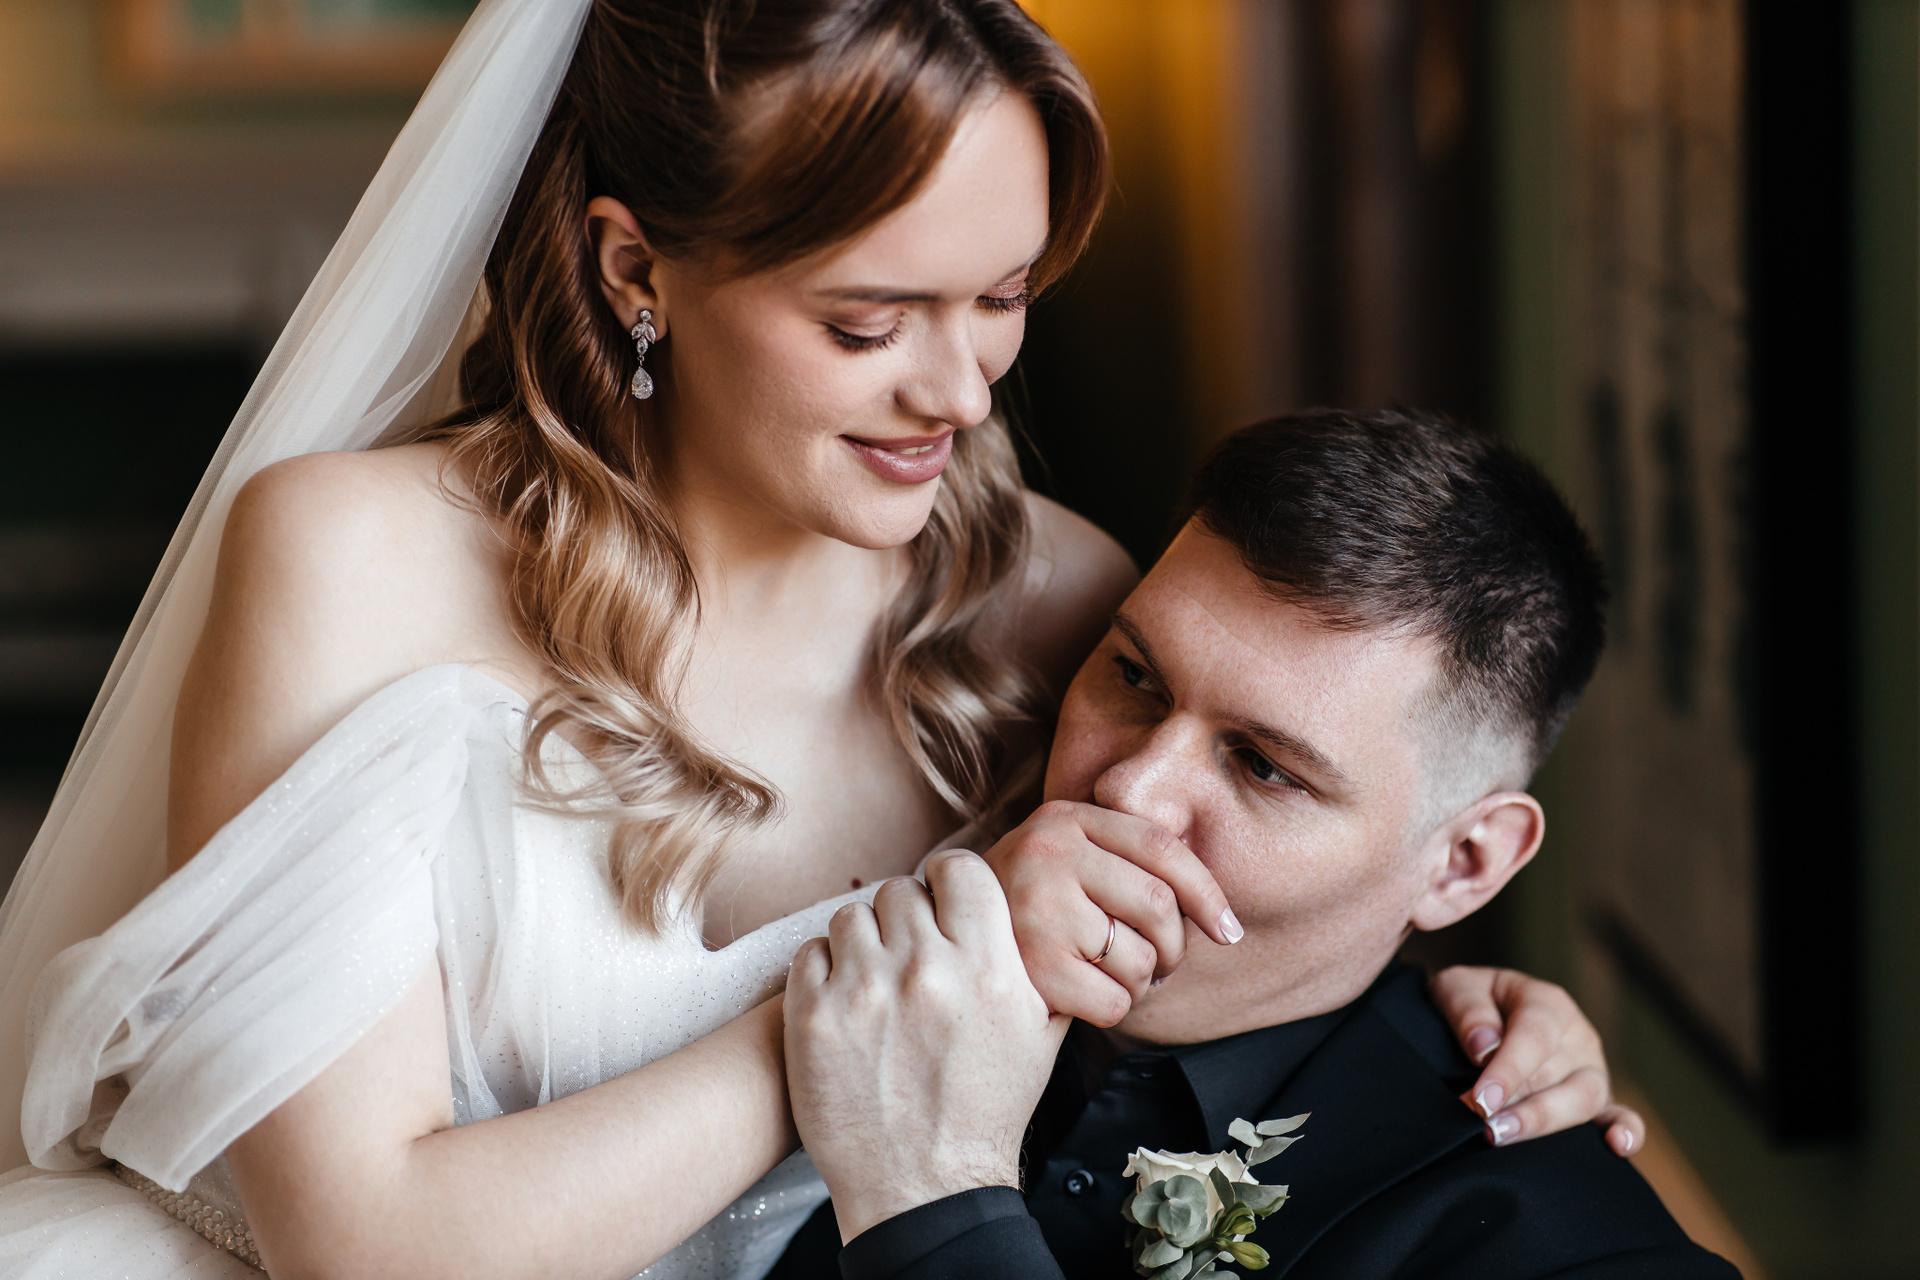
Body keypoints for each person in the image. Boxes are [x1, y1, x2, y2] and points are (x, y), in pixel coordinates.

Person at [0, 5, 1631, 1279]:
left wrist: (1459, 1016)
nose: (960, 392)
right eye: (870, 322)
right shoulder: (354, 557)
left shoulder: (1064, 600)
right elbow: (359, 1248)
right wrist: (859, 1004)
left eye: (1005, 297)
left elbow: (1264, 846)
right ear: (637, 268)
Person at [777, 410, 1740, 1280]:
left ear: (1465, 863)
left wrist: (935, 1202)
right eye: (1135, 676)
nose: (1127, 788)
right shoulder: (896, 890)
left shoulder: (1579, 1254)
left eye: (1265, 767)